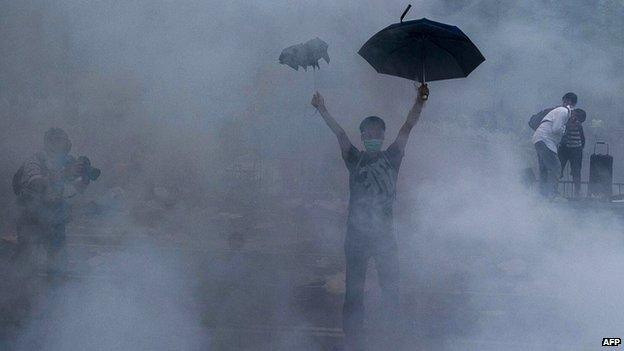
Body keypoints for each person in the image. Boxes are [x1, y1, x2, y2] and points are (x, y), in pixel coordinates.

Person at [311, 85, 426, 349]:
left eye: (378, 131)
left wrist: (419, 102)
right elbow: (339, 133)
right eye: (368, 132)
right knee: (354, 293)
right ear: (362, 136)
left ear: (383, 135)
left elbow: (408, 126)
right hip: (356, 237)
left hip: (384, 236)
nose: (373, 135)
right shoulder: (355, 159)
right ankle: (353, 339)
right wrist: (322, 109)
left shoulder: (393, 157)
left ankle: (392, 336)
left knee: (391, 290)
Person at [13, 128, 92, 274]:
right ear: (49, 144)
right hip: (30, 219)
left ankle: (55, 290)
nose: (66, 146)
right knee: (25, 264)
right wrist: (65, 174)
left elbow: (74, 191)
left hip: (55, 219)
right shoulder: (35, 160)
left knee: (58, 266)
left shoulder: (68, 161)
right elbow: (36, 184)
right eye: (61, 142)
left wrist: (84, 177)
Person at [532, 92, 577, 198]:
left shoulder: (558, 111)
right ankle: (553, 194)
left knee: (544, 168)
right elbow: (556, 129)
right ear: (572, 104)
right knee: (556, 167)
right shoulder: (565, 111)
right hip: (544, 140)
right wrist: (564, 129)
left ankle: (542, 195)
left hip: (539, 139)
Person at [558, 108, 586, 198]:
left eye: (577, 117)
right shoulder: (565, 121)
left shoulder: (579, 125)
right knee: (558, 169)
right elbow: (561, 134)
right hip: (565, 149)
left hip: (576, 150)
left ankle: (577, 193)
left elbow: (582, 138)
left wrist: (580, 148)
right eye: (574, 115)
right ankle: (553, 190)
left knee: (576, 171)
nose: (575, 118)